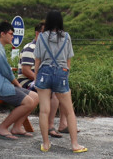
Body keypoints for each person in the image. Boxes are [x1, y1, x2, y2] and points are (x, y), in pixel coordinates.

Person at [34, 10, 86, 153]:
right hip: (61, 72)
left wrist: (36, 76)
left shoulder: (42, 37)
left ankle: (45, 144)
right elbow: (68, 60)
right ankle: (75, 145)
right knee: (69, 111)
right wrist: (65, 74)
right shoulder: (67, 37)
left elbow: (37, 59)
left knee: (44, 111)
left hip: (44, 72)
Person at [0, 21, 38, 140]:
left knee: (36, 97)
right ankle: (2, 127)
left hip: (2, 85)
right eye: (11, 34)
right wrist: (18, 85)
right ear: (2, 34)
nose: (13, 36)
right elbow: (6, 70)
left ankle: (17, 127)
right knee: (28, 102)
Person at [17, 21, 66, 135]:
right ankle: (50, 126)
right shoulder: (30, 48)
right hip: (27, 82)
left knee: (64, 88)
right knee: (53, 92)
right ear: (38, 34)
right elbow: (26, 70)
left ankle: (64, 124)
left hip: (40, 80)